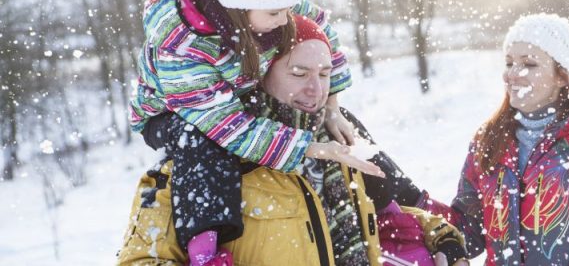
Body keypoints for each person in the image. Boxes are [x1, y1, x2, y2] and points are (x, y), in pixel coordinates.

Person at [128, 0, 382, 263]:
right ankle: (206, 246)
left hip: (234, 88)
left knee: (322, 116)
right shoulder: (183, 50)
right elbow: (231, 129)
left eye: (288, 8)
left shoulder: (270, 3)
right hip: (171, 112)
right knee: (202, 143)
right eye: (276, 12)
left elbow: (323, 32)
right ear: (237, 5)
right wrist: (312, 148)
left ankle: (396, 203)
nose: (286, 20)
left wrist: (333, 106)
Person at [118, 17, 468, 266]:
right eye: (298, 73)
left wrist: (443, 238)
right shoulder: (205, 157)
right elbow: (144, 258)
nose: (315, 90)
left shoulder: (338, 143)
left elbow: (385, 219)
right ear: (260, 71)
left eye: (325, 74)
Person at [386, 14, 569, 265]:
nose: (512, 73)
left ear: (562, 76)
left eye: (529, 64)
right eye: (509, 62)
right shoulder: (489, 141)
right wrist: (409, 196)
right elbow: (467, 231)